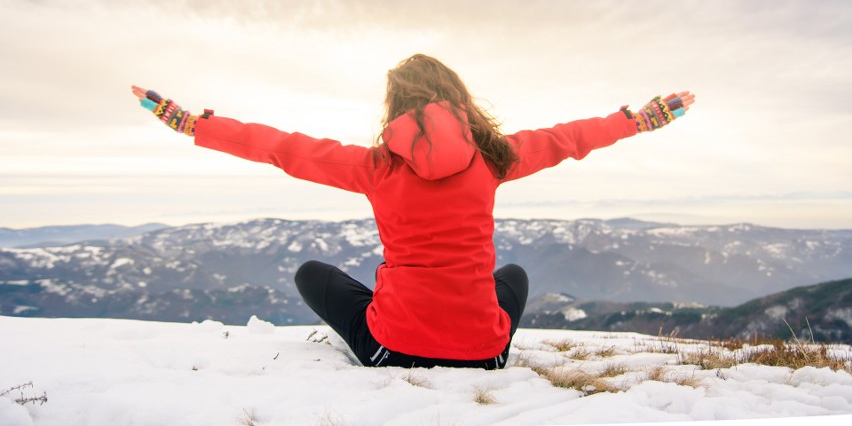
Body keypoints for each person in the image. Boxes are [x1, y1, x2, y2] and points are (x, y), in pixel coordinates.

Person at [132, 54, 695, 369]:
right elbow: (569, 137)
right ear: (460, 101)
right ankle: (469, 334)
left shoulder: (375, 166)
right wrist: (637, 120)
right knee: (515, 276)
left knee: (312, 274)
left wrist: (195, 124)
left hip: (392, 348)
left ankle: (403, 319)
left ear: (395, 107)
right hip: (486, 355)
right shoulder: (496, 158)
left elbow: (284, 147)